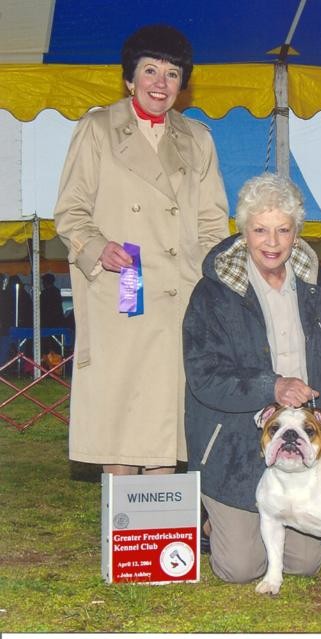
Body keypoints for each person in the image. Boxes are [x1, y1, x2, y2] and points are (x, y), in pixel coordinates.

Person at [54, 24, 229, 477]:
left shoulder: (199, 139)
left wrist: (216, 287)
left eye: (172, 74)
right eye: (149, 70)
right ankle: (124, 542)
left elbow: (212, 223)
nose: (160, 83)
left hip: (182, 301)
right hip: (123, 294)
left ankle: (162, 542)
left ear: (181, 85)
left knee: (169, 428)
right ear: (129, 79)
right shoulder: (96, 129)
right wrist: (96, 246)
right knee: (123, 425)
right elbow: (70, 212)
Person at [183, 173, 321, 583]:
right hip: (233, 448)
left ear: (297, 232)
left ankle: (260, 524)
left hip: (303, 439)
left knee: (306, 564)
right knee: (240, 569)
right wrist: (271, 386)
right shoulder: (212, 293)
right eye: (261, 230)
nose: (272, 242)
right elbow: (203, 376)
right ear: (243, 232)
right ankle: (217, 524)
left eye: (283, 229)